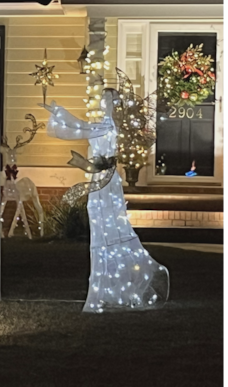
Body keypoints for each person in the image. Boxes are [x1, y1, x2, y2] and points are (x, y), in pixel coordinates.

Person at [42, 88, 169, 313]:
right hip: (100, 181)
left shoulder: (107, 126)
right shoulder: (103, 125)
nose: (104, 103)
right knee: (102, 233)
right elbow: (80, 129)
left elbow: (78, 128)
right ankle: (106, 288)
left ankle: (113, 286)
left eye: (108, 99)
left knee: (109, 231)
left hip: (106, 182)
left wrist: (59, 113)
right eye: (103, 99)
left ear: (114, 104)